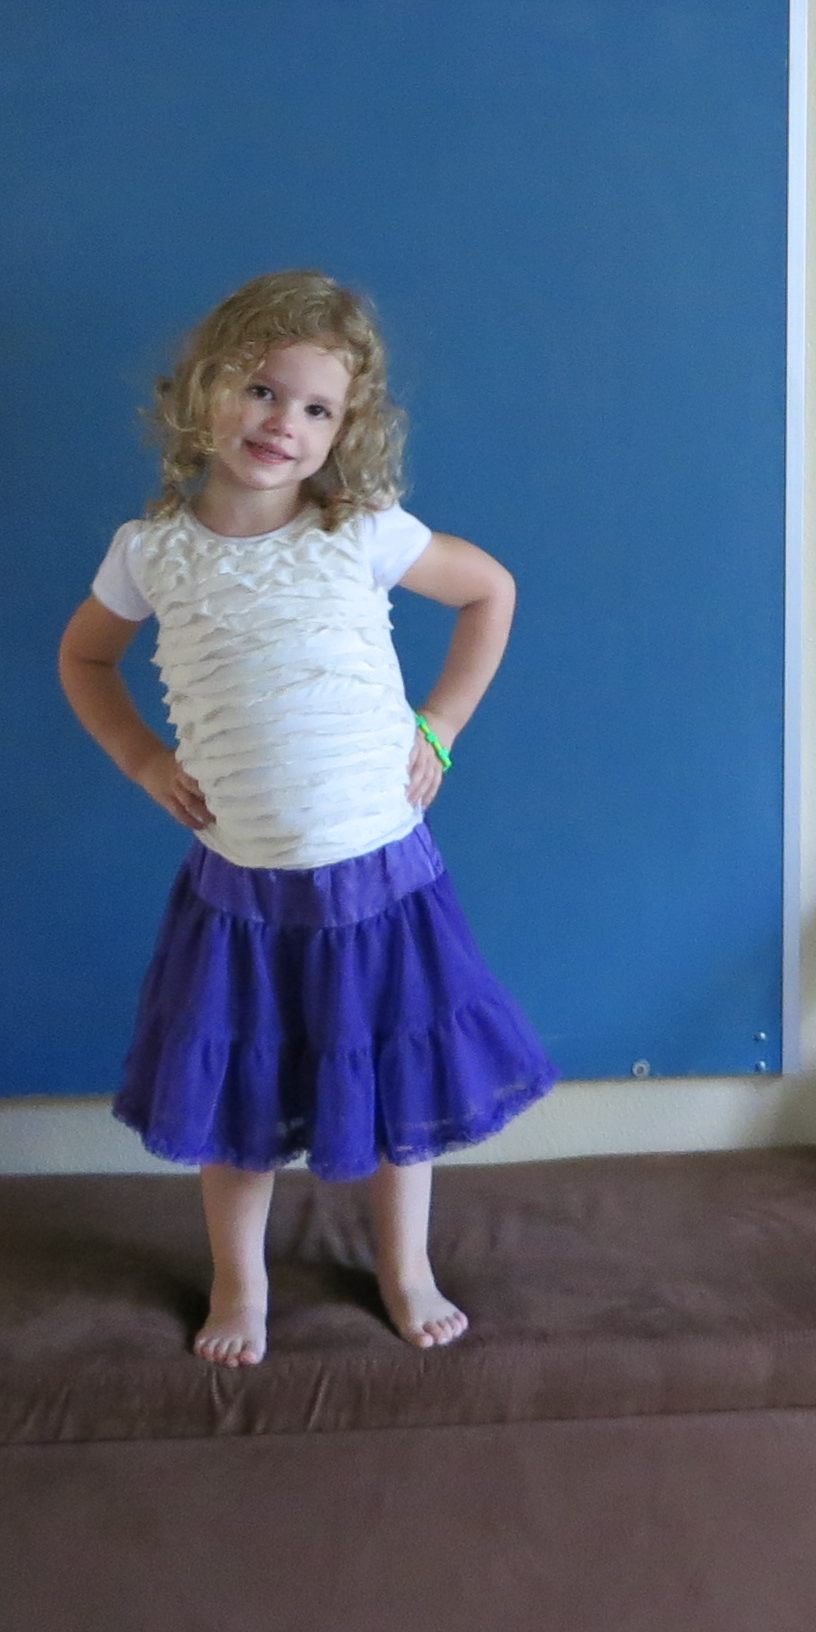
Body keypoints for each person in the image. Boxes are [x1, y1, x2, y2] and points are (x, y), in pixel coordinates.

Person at [59, 269, 553, 1364]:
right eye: (262, 389)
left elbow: (489, 592)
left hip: (381, 876)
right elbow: (84, 657)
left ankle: (406, 1265)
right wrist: (141, 756)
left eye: (317, 408)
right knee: (234, 1098)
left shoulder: (362, 531)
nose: (285, 422)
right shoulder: (154, 551)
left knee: (395, 1077)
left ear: (347, 430)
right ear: (205, 390)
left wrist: (440, 726)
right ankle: (242, 1284)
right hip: (240, 890)